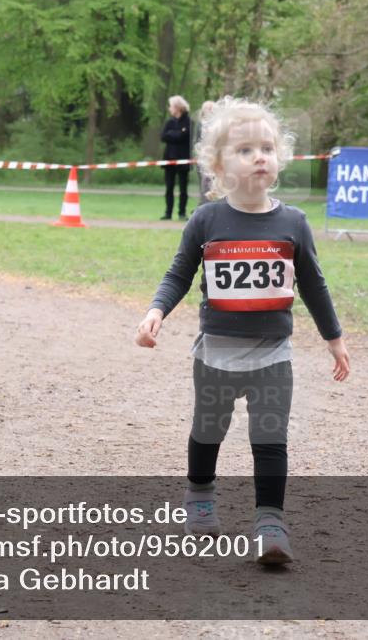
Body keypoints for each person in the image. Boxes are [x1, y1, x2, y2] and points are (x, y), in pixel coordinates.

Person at [134, 96, 351, 565]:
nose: (259, 157)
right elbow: (178, 274)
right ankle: (200, 498)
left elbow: (313, 284)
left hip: (273, 356)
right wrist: (157, 310)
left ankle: (270, 523)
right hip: (215, 355)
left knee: (270, 438)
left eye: (267, 148)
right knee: (208, 429)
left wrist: (334, 338)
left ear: (280, 160)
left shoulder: (294, 223)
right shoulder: (206, 221)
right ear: (216, 166)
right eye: (245, 149)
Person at [160, 95, 192, 220]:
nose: (169, 109)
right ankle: (168, 213)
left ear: (178, 107)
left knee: (183, 188)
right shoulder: (170, 122)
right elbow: (163, 137)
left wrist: (173, 134)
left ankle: (182, 213)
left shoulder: (188, 122)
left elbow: (185, 137)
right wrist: (177, 134)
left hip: (183, 159)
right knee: (169, 187)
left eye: (171, 106)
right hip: (169, 158)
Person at [195, 100, 216, 206]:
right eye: (208, 108)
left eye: (211, 108)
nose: (210, 110)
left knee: (211, 181)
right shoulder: (200, 124)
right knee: (203, 182)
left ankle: (210, 203)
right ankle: (203, 203)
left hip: (214, 156)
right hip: (202, 157)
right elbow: (197, 140)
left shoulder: (218, 123)